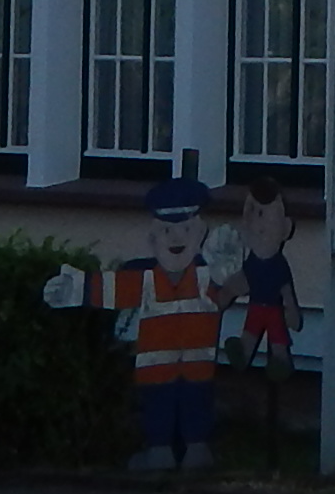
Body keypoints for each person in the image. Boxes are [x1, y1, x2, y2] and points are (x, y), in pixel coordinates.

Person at [109, 176, 227, 475]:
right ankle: (168, 450)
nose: (176, 240)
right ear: (154, 236)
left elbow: (227, 292)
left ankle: (190, 449)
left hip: (185, 358)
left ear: (199, 233)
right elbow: (111, 291)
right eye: (167, 231)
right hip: (161, 360)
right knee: (164, 400)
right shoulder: (146, 275)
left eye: (185, 230)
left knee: (192, 398)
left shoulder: (205, 273)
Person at [228, 188, 303, 446]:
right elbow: (240, 282)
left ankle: (281, 363)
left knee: (278, 338)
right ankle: (243, 355)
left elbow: (287, 291)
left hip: (273, 310)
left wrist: (292, 311)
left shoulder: (279, 264)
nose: (260, 225)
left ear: (285, 228)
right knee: (249, 333)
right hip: (255, 308)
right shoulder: (251, 262)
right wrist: (224, 295)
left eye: (267, 217)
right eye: (255, 215)